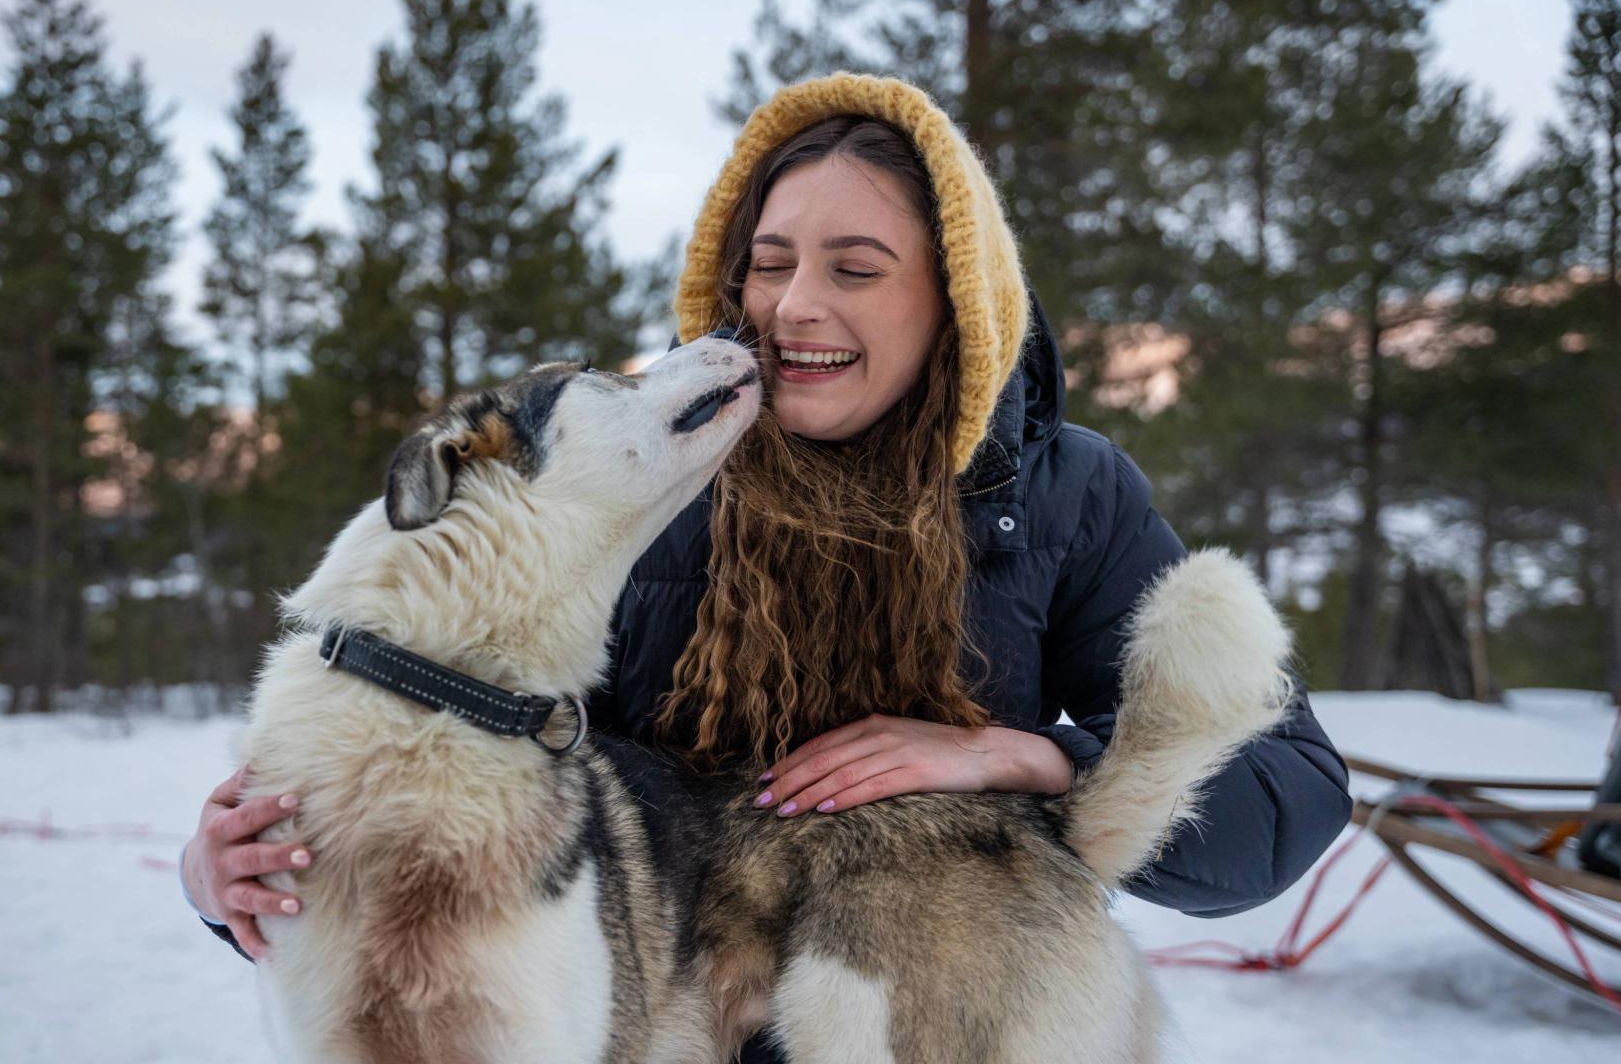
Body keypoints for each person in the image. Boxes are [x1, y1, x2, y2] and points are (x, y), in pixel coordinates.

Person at [181, 73, 1354, 1061]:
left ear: (952, 299)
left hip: (957, 987)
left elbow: (1281, 796)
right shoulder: (647, 493)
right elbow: (500, 778)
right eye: (769, 261)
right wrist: (242, 872)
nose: (793, 306)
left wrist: (1026, 753)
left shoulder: (1063, 491)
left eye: (854, 268)